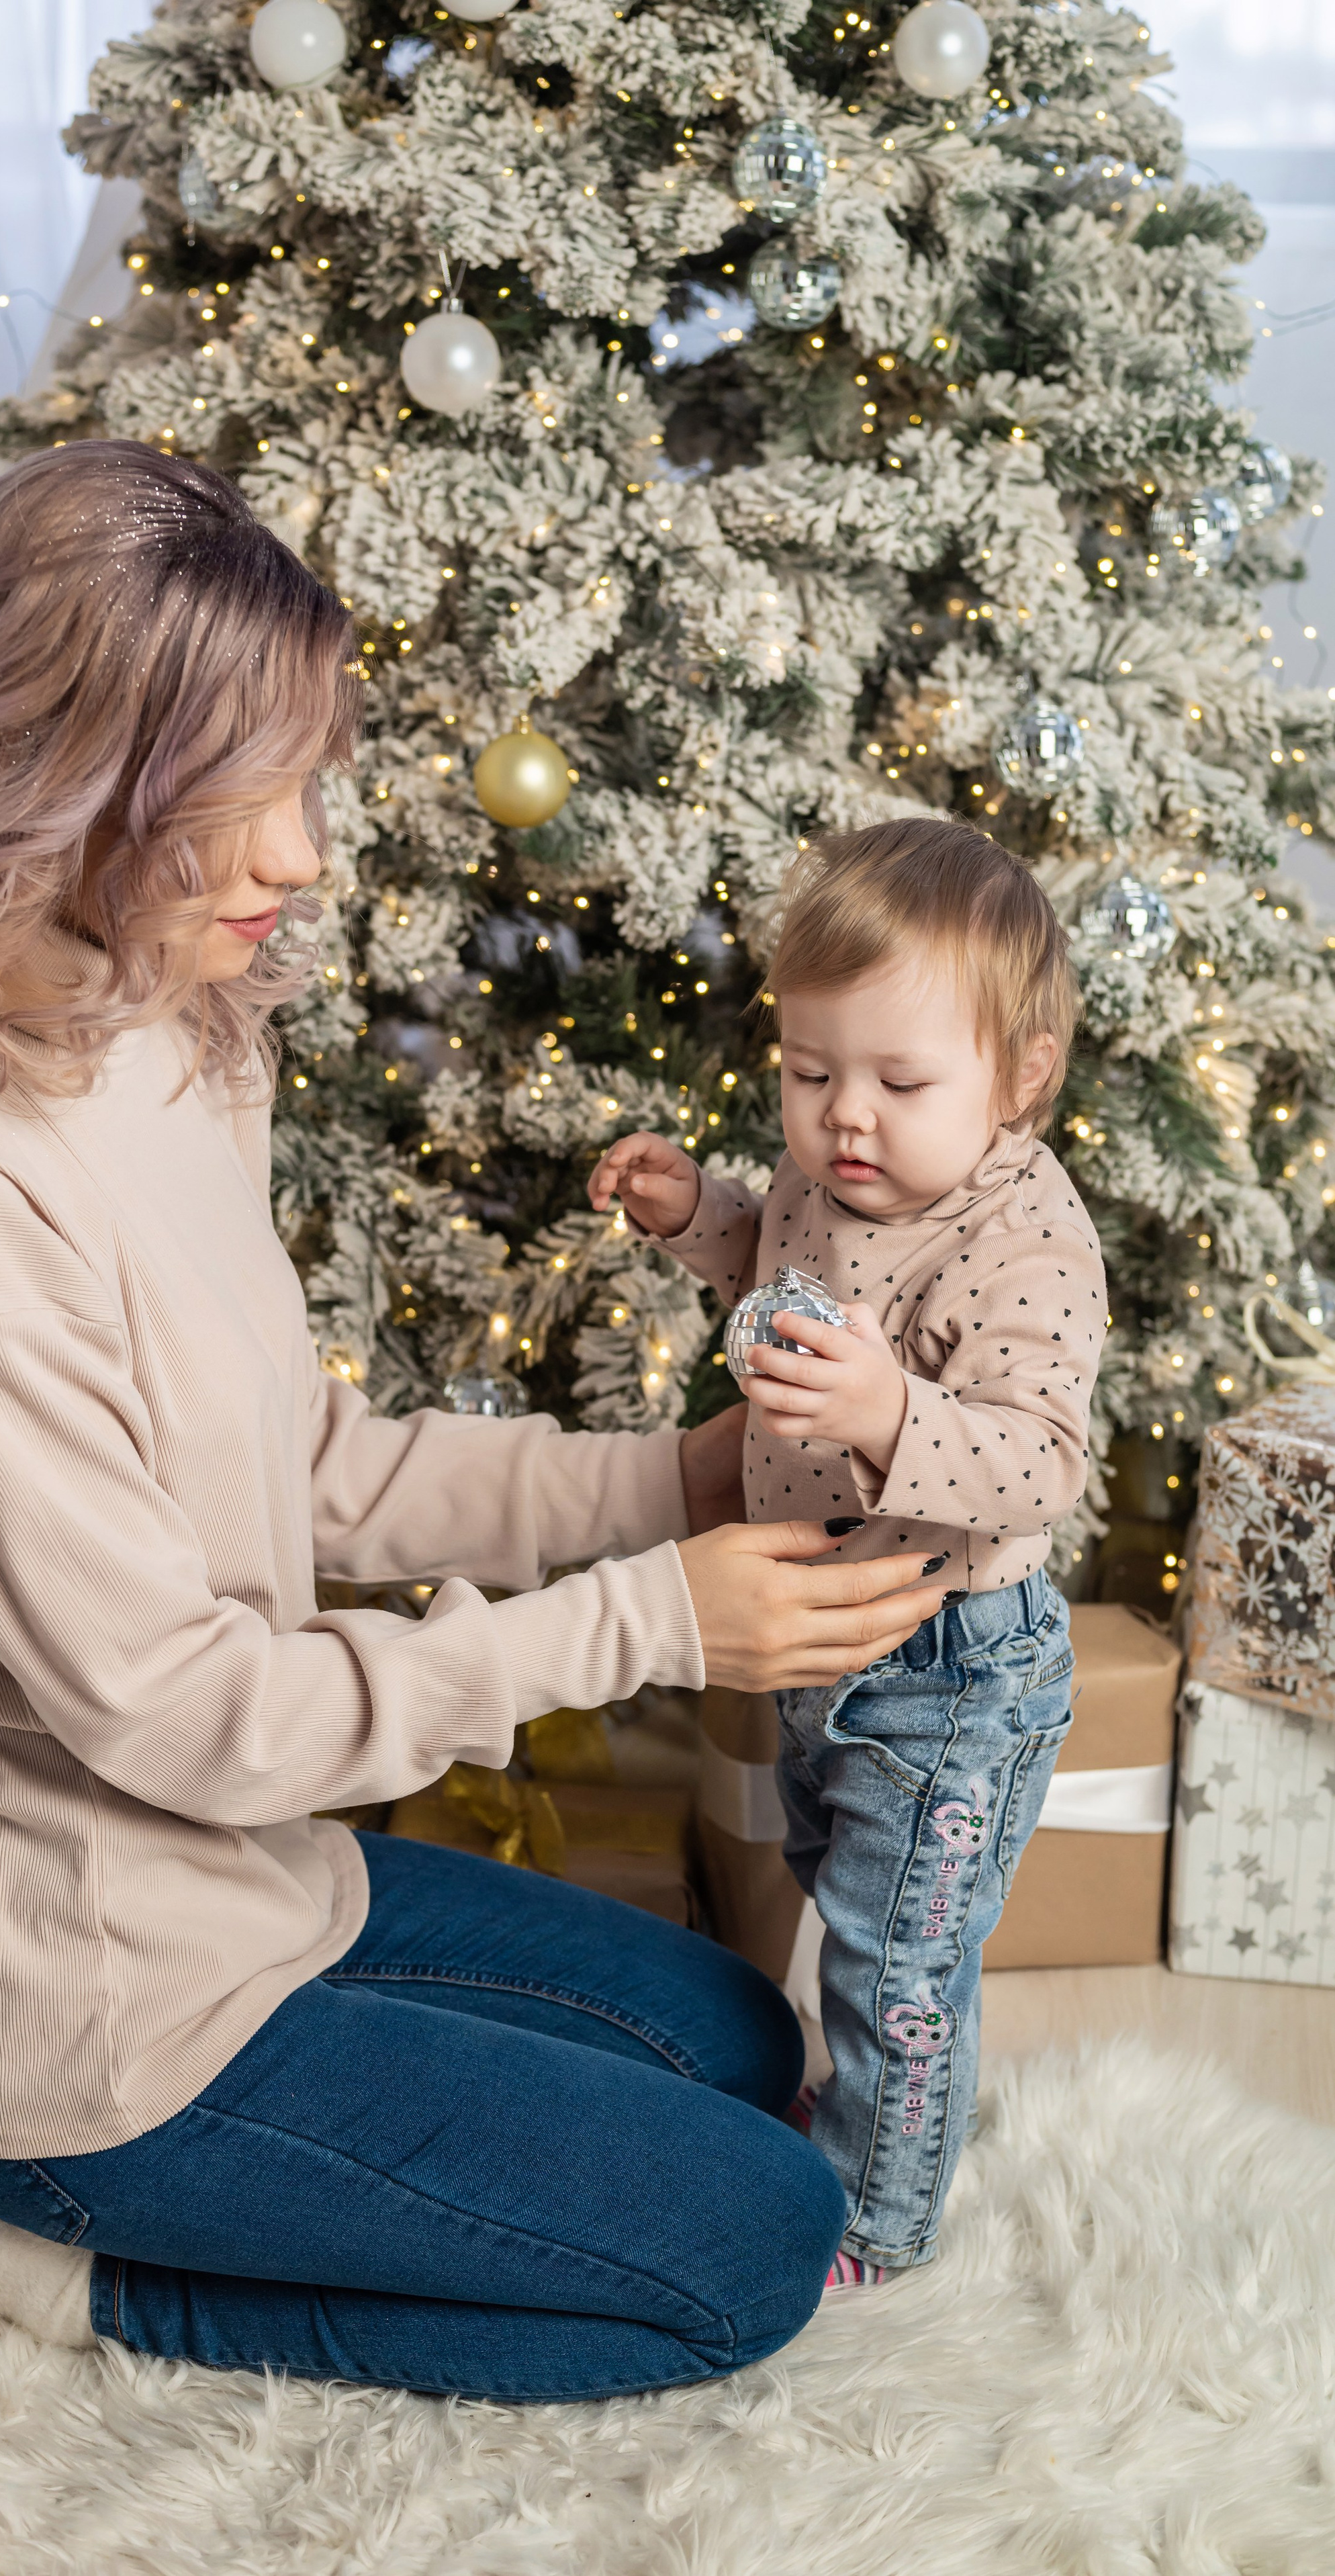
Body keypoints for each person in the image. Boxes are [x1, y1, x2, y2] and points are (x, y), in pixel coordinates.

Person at [0, 442, 957, 2401]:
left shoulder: (152, 1021)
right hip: (89, 2040)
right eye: (246, 802)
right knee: (749, 2252)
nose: (304, 858)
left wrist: (670, 1481)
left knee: (742, 2046)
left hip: (252, 1891)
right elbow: (178, 1707)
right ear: (69, 781)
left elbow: (306, 1469)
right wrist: (654, 1618)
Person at [591, 818, 1103, 2284]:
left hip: (951, 1671)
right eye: (808, 1076)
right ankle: (875, 2122)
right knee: (836, 1898)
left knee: (898, 1966)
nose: (842, 1120)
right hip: (827, 1633)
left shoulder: (1025, 1245)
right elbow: (774, 1262)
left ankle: (875, 2223)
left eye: (894, 1081)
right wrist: (700, 1215)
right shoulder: (834, 1177)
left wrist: (889, 1411)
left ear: (1018, 1075)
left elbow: (1038, 1459)